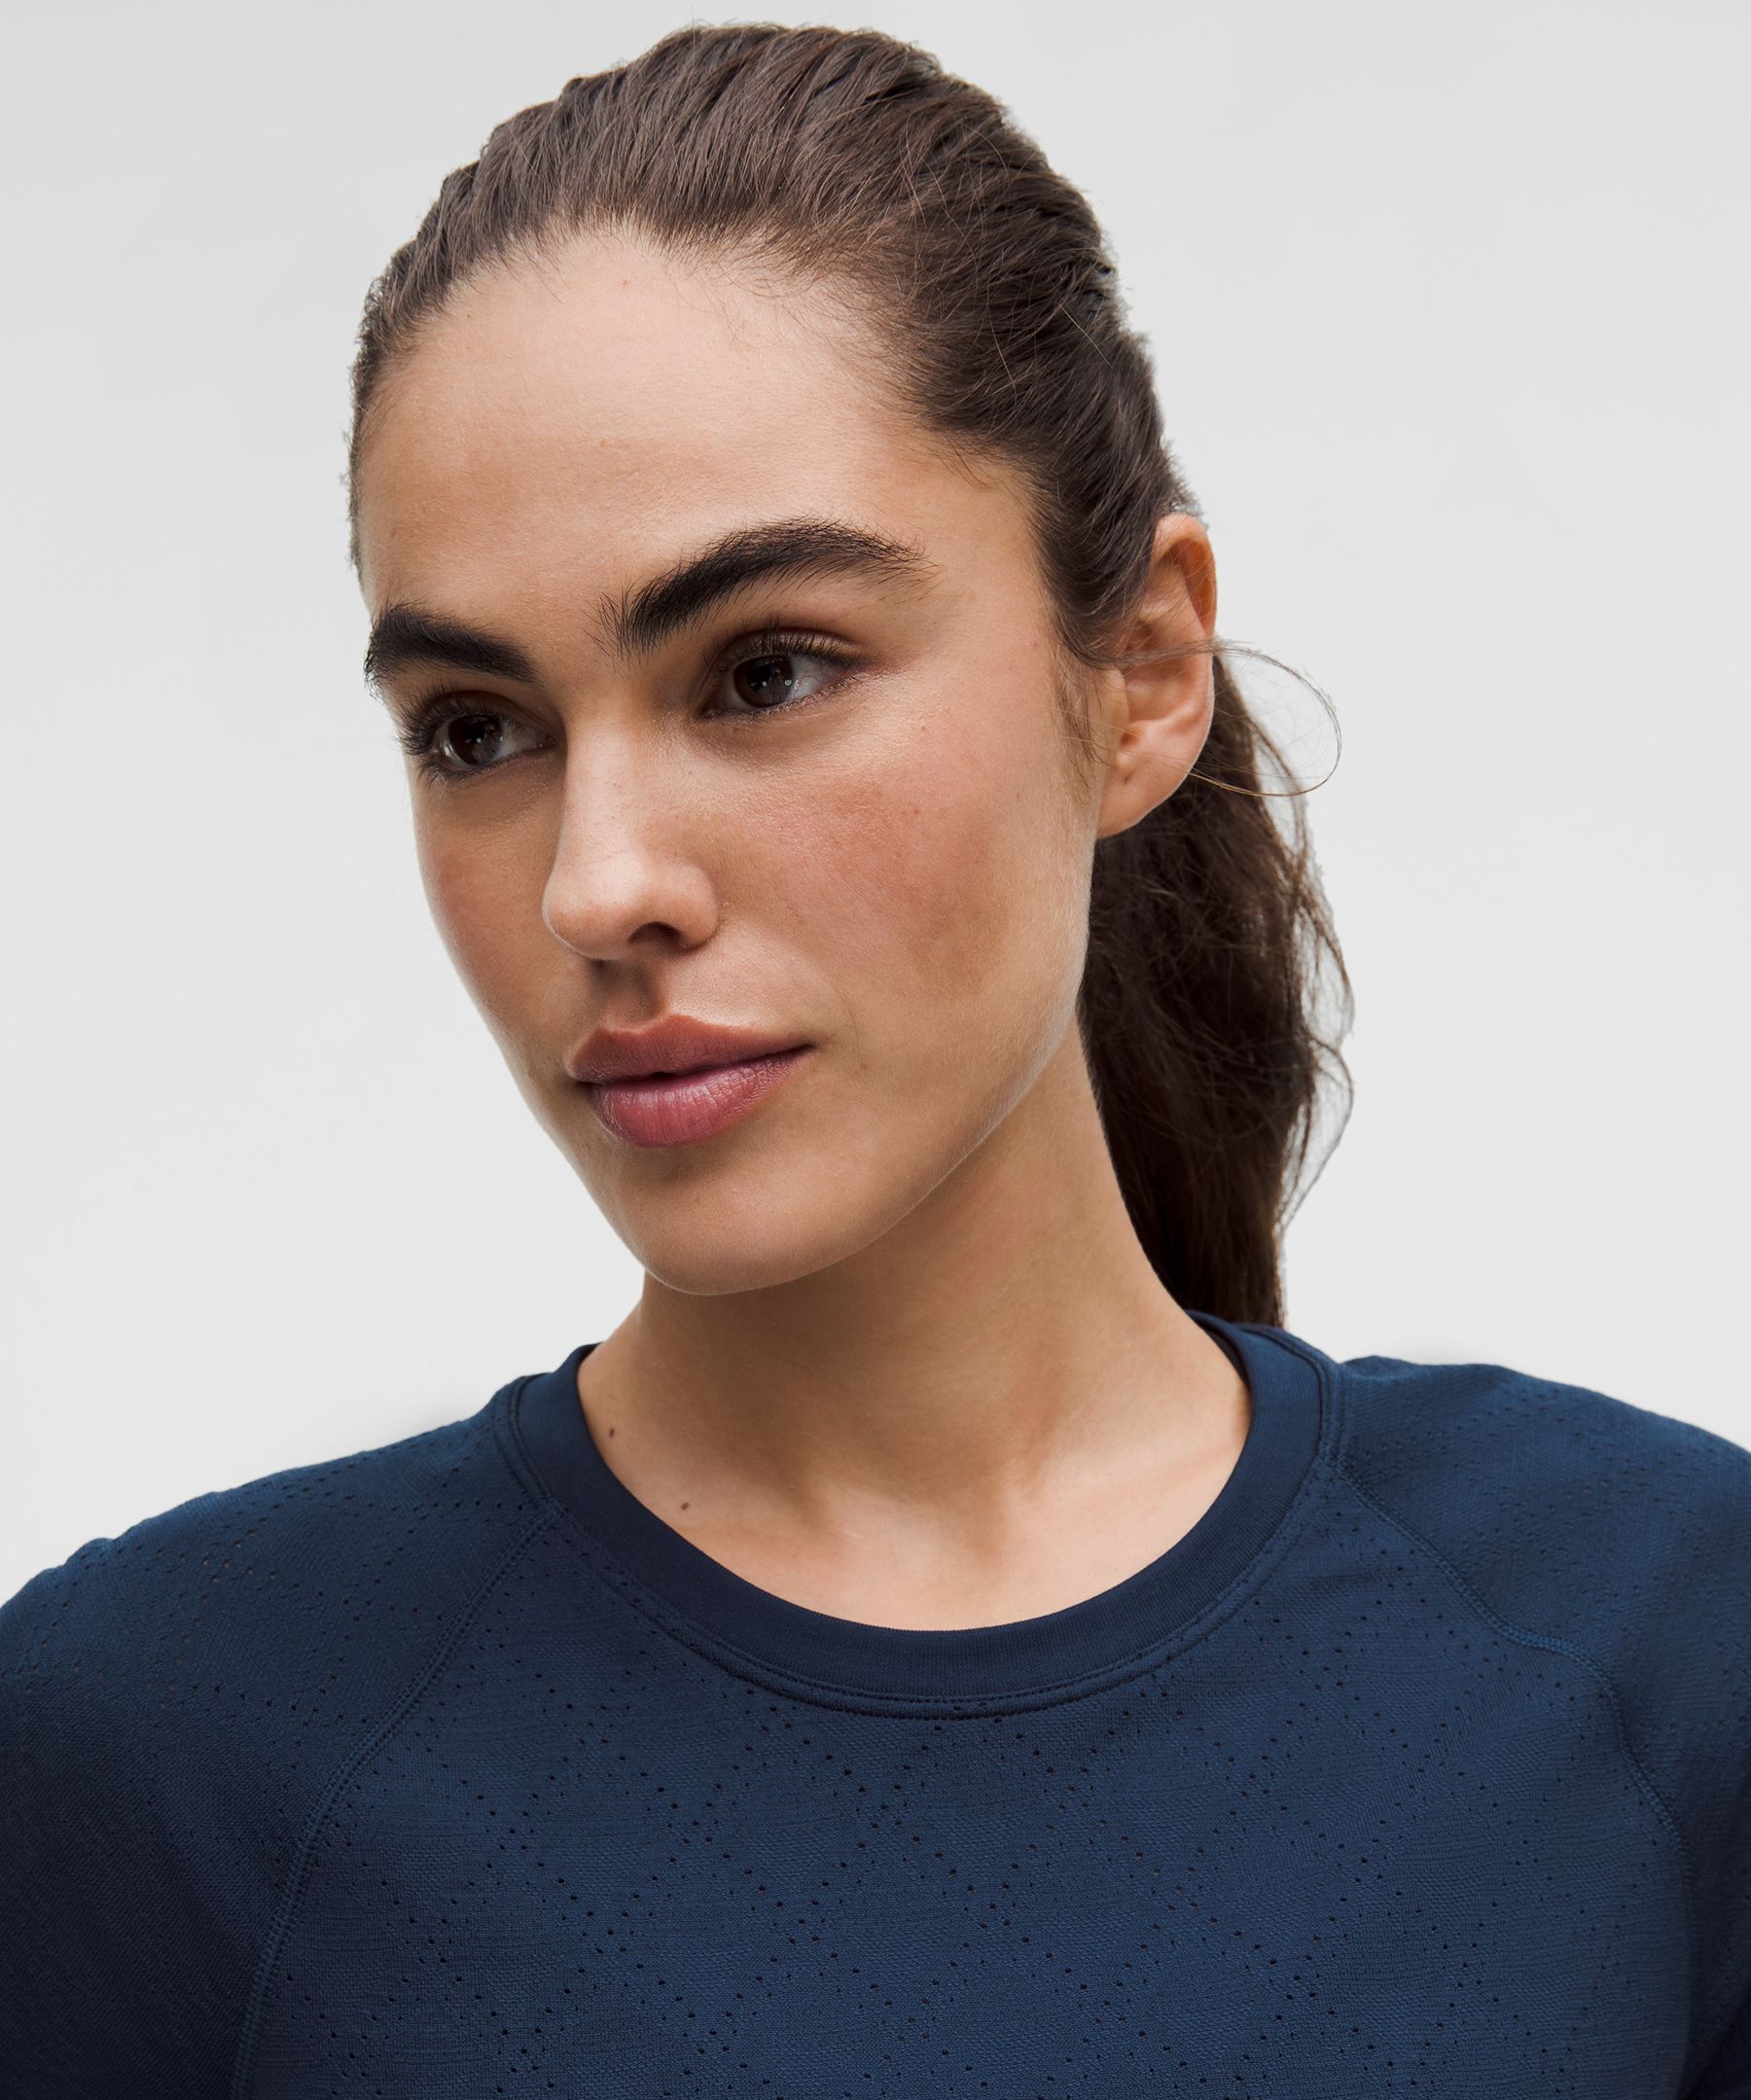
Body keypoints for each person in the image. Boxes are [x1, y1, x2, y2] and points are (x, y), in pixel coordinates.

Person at [3, 21, 1746, 2096]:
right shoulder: (156, 1754)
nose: (597, 884)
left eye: (766, 672)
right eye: (477, 729)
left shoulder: (1665, 1650)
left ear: (1143, 675)